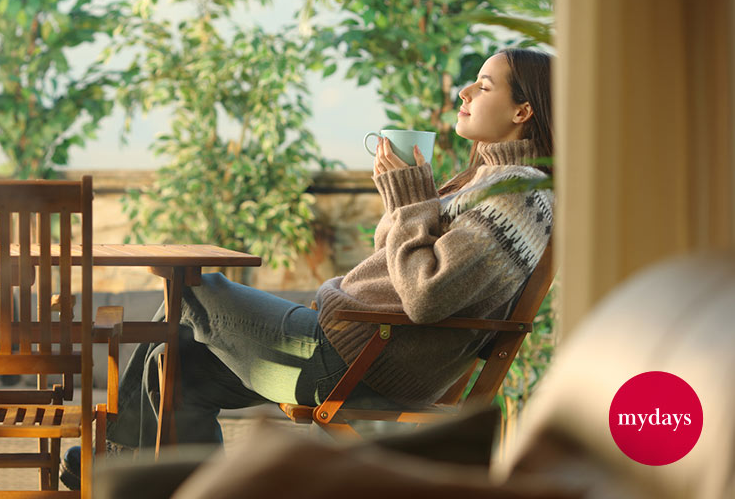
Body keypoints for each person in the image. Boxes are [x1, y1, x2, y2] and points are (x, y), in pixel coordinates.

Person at [60, 48, 554, 489]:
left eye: (484, 86)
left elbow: (425, 295)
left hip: (357, 359)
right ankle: (158, 477)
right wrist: (403, 200)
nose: (465, 91)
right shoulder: (487, 182)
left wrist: (409, 200)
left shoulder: (515, 195)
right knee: (179, 365)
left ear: (522, 110)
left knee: (192, 291)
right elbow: (397, 257)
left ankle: (112, 460)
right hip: (359, 344)